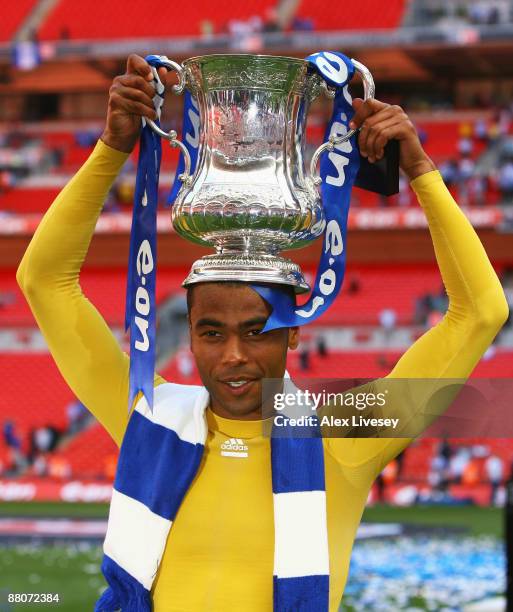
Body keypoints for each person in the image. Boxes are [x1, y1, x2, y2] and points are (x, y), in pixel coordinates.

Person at [16, 55, 508, 611]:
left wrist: (419, 168)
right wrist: (111, 147)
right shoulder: (149, 415)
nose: (233, 356)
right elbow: (43, 281)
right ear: (191, 336)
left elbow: (480, 311)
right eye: (211, 332)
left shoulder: (344, 434)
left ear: (293, 333)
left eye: (257, 330)